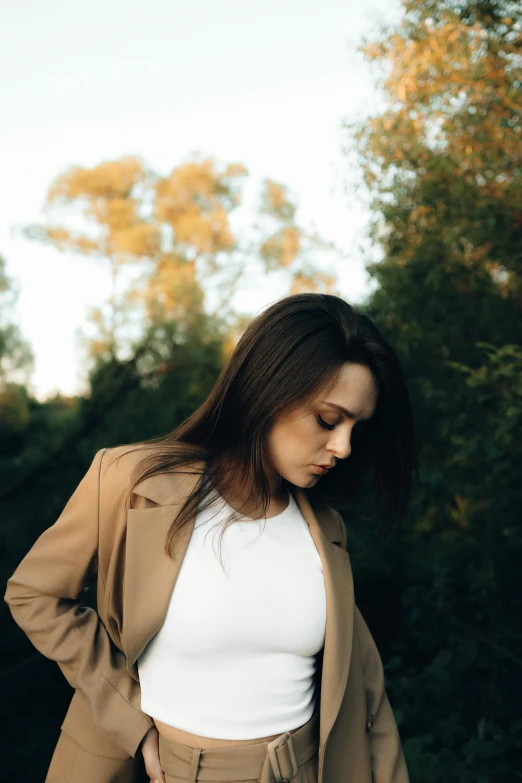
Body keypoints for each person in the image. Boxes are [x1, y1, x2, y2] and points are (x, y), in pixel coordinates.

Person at [4, 293, 418, 783]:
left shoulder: (324, 530)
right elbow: (35, 593)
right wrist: (127, 719)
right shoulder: (130, 482)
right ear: (269, 390)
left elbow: (364, 689)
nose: (343, 447)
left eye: (356, 428)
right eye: (328, 420)